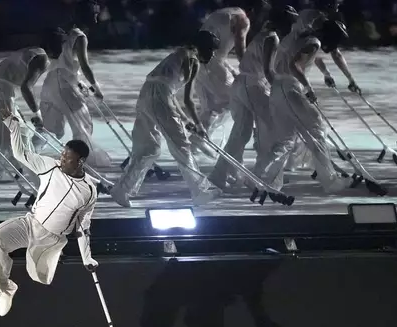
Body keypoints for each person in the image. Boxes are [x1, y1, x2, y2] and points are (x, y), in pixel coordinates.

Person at [0, 112, 99, 317]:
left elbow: (83, 226)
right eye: (62, 154)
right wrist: (14, 127)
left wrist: (87, 258)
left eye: (67, 158)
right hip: (30, 224)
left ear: (80, 161)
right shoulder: (50, 166)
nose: (62, 159)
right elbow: (21, 154)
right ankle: (4, 289)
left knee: (39, 275)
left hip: (51, 238)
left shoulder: (88, 191)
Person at [109, 30, 222, 208]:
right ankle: (200, 191)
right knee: (181, 145)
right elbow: (187, 100)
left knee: (149, 148)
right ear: (204, 48)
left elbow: (168, 91)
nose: (213, 54)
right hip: (158, 97)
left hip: (147, 94)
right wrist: (200, 126)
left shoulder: (178, 54)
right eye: (211, 50)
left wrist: (186, 121)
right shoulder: (192, 60)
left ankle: (121, 190)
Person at [208, 5, 299, 190]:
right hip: (253, 86)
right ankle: (262, 176)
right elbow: (268, 70)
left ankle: (219, 174)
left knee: (240, 134)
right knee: (272, 130)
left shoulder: (262, 33)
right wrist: (280, 89)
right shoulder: (272, 38)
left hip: (240, 84)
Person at [261, 18, 353, 193]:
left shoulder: (298, 35)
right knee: (316, 130)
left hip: (277, 88)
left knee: (285, 140)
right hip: (291, 88)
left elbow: (307, 59)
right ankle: (330, 181)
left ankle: (268, 180)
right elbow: (294, 65)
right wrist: (308, 87)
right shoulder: (313, 42)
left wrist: (325, 73)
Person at [0, 32, 63, 197]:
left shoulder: (33, 51)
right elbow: (26, 87)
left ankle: (40, 186)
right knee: (3, 146)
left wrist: (16, 108)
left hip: (0, 93)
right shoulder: (42, 58)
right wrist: (37, 114)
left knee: (23, 137)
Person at [281, 0, 362, 171]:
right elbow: (329, 51)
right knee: (314, 123)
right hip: (292, 76)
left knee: (295, 123)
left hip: (287, 71)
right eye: (336, 4)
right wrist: (350, 79)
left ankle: (294, 163)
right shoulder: (319, 21)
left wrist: (326, 73)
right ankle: (323, 168)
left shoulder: (306, 16)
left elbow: (312, 53)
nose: (338, 7)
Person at [37, 0, 112, 168]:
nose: (96, 17)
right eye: (94, 14)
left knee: (52, 129)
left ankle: (28, 153)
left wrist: (79, 83)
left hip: (51, 82)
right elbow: (84, 65)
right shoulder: (80, 36)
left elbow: (65, 63)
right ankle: (82, 162)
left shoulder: (66, 33)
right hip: (63, 85)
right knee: (82, 123)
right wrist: (96, 87)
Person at [193, 1, 268, 145]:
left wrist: (232, 70)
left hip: (197, 61)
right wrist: (252, 71)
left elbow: (219, 51)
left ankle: (199, 139)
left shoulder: (224, 13)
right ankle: (200, 139)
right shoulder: (243, 19)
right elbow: (240, 49)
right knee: (235, 99)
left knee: (211, 108)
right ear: (254, 12)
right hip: (211, 62)